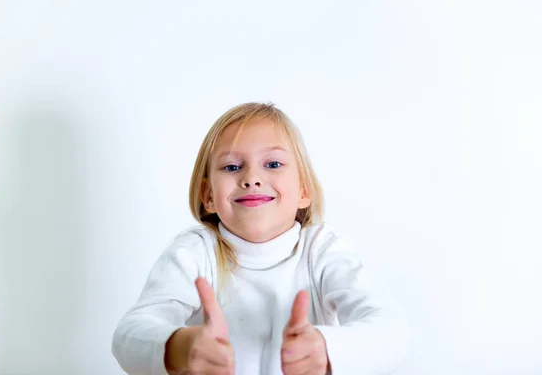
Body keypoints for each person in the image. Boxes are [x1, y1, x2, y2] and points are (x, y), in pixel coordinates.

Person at [112, 102, 410, 374]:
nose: (251, 178)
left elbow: (391, 331)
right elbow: (129, 335)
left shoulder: (323, 249)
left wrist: (325, 348)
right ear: (208, 196)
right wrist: (184, 347)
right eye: (232, 167)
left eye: (273, 164)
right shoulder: (193, 253)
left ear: (304, 190)